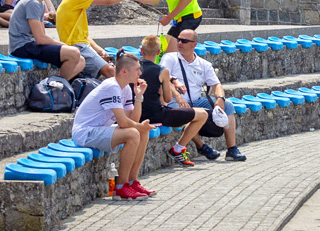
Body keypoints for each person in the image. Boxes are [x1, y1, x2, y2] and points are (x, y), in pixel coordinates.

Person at [70, 51, 156, 200]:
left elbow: (132, 119)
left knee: (142, 132)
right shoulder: (112, 86)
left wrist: (139, 97)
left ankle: (132, 182)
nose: (140, 73)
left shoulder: (126, 88)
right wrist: (139, 126)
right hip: (85, 133)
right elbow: (123, 122)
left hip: (98, 129)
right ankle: (121, 187)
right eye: (137, 69)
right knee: (133, 133)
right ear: (124, 71)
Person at [160, 30, 247, 161]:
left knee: (228, 105)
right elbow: (164, 79)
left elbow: (216, 84)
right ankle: (201, 146)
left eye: (184, 41)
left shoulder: (203, 64)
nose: (179, 43)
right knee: (187, 113)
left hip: (196, 101)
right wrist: (178, 96)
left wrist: (220, 98)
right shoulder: (170, 58)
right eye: (178, 40)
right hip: (175, 102)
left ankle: (232, 149)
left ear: (194, 44)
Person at [137, 35, 210, 167]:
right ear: (159, 52)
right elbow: (167, 98)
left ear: (141, 51)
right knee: (203, 114)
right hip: (156, 115)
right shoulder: (162, 70)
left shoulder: (133, 67)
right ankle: (178, 149)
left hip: (136, 114)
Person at [55, 0, 140, 80]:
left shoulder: (74, 0)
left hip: (78, 45)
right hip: (78, 47)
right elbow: (108, 0)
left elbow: (83, 37)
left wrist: (100, 51)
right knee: (111, 71)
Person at [9, 0, 86, 80]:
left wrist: (62, 46)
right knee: (73, 53)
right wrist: (63, 45)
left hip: (31, 44)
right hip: (21, 47)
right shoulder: (32, 2)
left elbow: (42, 36)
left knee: (81, 61)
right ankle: (55, 85)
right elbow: (40, 38)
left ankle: (58, 82)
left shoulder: (40, 2)